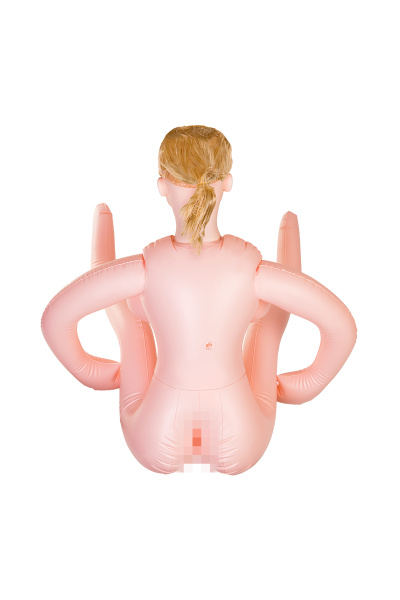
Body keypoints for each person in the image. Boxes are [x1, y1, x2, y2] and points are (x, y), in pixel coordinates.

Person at [41, 125, 357, 475]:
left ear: (162, 185)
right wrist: (307, 385)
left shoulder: (146, 267)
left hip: (153, 436)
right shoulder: (250, 268)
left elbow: (55, 319)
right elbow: (341, 327)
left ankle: (106, 246)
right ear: (227, 182)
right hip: (243, 437)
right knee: (267, 325)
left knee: (132, 324)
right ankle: (287, 244)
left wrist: (92, 373)